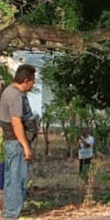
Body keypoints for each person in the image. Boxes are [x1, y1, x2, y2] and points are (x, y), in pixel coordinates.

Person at [0, 64, 36, 219]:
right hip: (16, 143)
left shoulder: (12, 92)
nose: (33, 84)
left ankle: (13, 209)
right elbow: (16, 122)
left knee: (11, 178)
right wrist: (26, 146)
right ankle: (11, 213)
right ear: (26, 80)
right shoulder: (14, 95)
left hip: (14, 142)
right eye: (32, 81)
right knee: (16, 178)